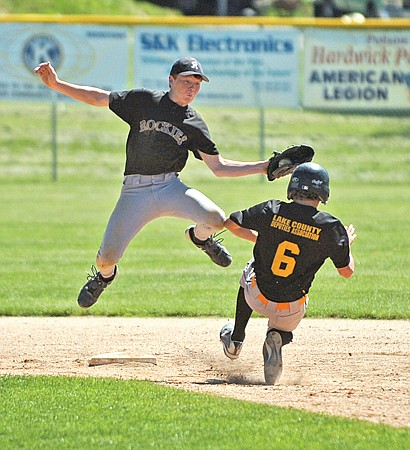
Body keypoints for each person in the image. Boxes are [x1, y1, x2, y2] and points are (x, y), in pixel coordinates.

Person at [34, 56, 269, 309]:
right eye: (186, 81)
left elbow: (219, 167)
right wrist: (57, 84)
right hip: (135, 192)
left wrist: (264, 166)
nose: (192, 88)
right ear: (171, 80)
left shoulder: (194, 123)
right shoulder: (145, 101)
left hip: (170, 187)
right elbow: (98, 98)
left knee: (215, 218)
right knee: (106, 258)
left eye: (197, 84)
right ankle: (104, 277)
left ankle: (200, 239)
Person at [219, 162, 356, 385]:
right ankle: (278, 337)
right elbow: (346, 272)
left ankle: (236, 339)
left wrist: (257, 238)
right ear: (323, 193)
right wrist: (346, 247)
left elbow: (231, 223)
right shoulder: (330, 227)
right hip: (291, 308)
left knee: (251, 267)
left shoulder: (272, 209)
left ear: (293, 187)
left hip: (257, 296)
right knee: (286, 316)